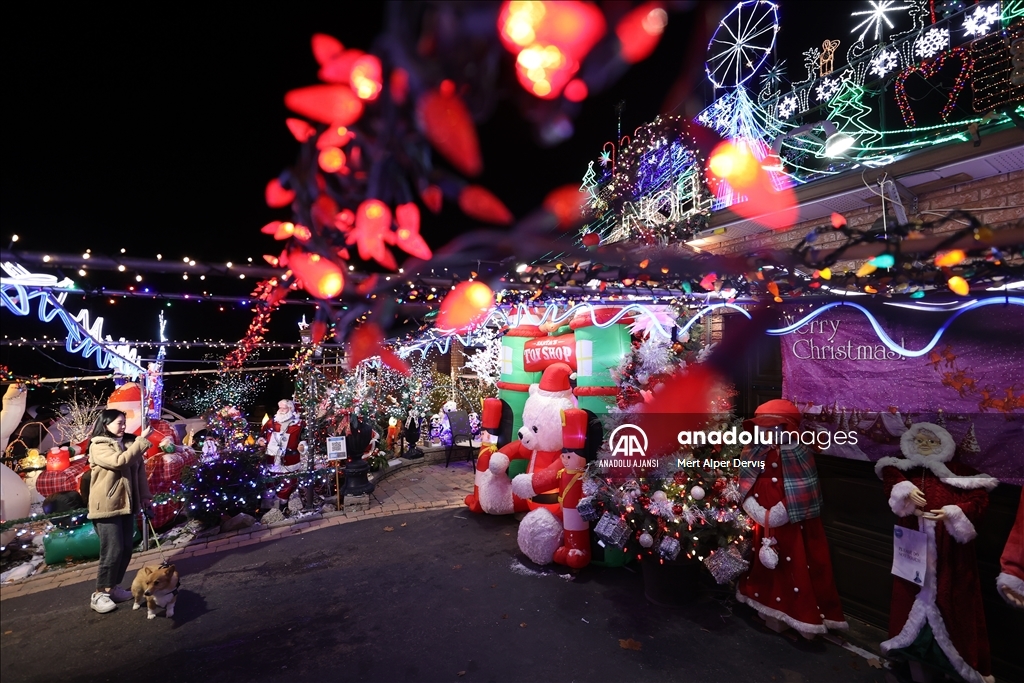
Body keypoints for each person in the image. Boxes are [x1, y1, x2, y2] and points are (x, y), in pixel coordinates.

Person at [876, 422, 998, 683]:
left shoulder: (959, 473)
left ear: (943, 445)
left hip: (949, 552)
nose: (924, 446)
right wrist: (904, 490)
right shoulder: (901, 468)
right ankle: (913, 664)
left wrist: (954, 512)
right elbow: (889, 474)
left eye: (931, 442)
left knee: (951, 601)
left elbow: (979, 500)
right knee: (909, 598)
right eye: (919, 441)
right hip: (912, 547)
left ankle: (957, 666)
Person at [735, 399, 848, 637]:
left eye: (773, 427)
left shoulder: (799, 453)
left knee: (794, 569)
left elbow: (805, 489)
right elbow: (745, 481)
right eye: (762, 428)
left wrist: (781, 511)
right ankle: (768, 610)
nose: (766, 434)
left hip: (792, 525)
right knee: (765, 568)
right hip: (762, 524)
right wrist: (752, 505)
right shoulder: (753, 450)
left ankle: (801, 618)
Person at [86, 409, 167, 614]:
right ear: (106, 424)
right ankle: (99, 594)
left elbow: (138, 472)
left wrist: (145, 497)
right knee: (112, 550)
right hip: (106, 506)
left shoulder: (129, 443)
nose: (123, 426)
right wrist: (141, 441)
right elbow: (119, 462)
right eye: (118, 423)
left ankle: (112, 588)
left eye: (124, 422)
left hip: (126, 505)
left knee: (125, 549)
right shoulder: (99, 445)